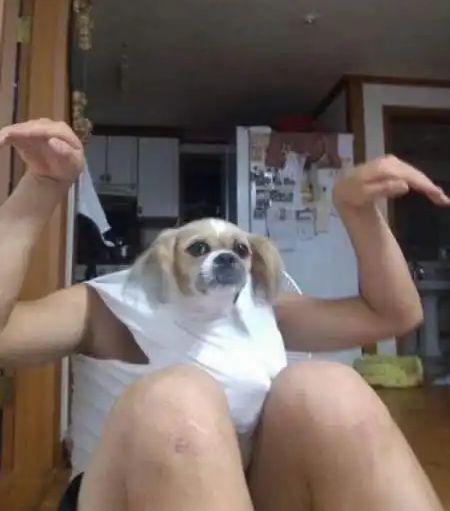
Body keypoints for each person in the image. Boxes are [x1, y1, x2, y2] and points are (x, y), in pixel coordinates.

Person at [0, 118, 446, 511]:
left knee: (330, 386)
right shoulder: (104, 305)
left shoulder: (259, 307)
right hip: (123, 494)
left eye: (238, 250)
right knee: (179, 396)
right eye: (199, 249)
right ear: (167, 256)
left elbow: (393, 316)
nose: (225, 258)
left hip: (250, 489)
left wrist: (359, 211)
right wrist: (40, 188)